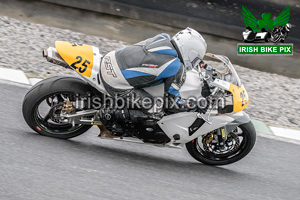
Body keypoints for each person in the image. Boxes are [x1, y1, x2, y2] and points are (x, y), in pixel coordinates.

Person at [99, 27, 207, 114]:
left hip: (109, 58)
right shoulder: (176, 67)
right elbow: (171, 104)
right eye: (196, 59)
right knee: (156, 109)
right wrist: (193, 106)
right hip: (115, 81)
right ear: (191, 52)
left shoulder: (162, 37)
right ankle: (116, 119)